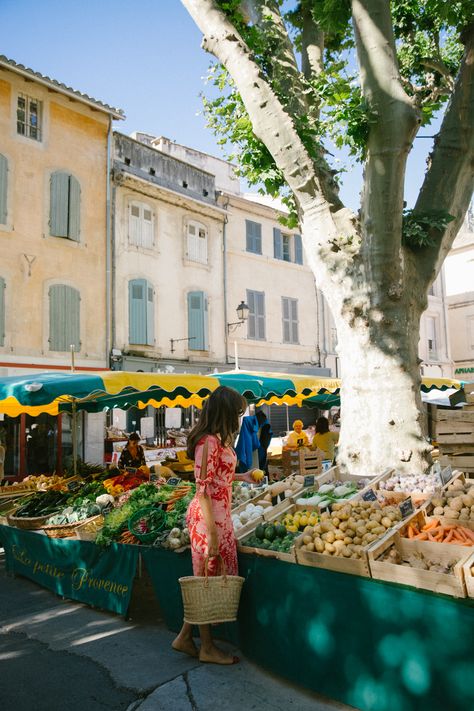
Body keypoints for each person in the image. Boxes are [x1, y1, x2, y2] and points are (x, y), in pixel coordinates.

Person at [172, 386, 255, 665]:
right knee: (207, 580)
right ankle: (206, 647)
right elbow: (203, 491)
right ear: (225, 412)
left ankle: (185, 637)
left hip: (220, 516)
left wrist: (243, 476)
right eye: (236, 412)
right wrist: (213, 537)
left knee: (207, 579)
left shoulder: (219, 441)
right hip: (208, 520)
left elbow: (220, 479)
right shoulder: (207, 443)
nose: (239, 418)